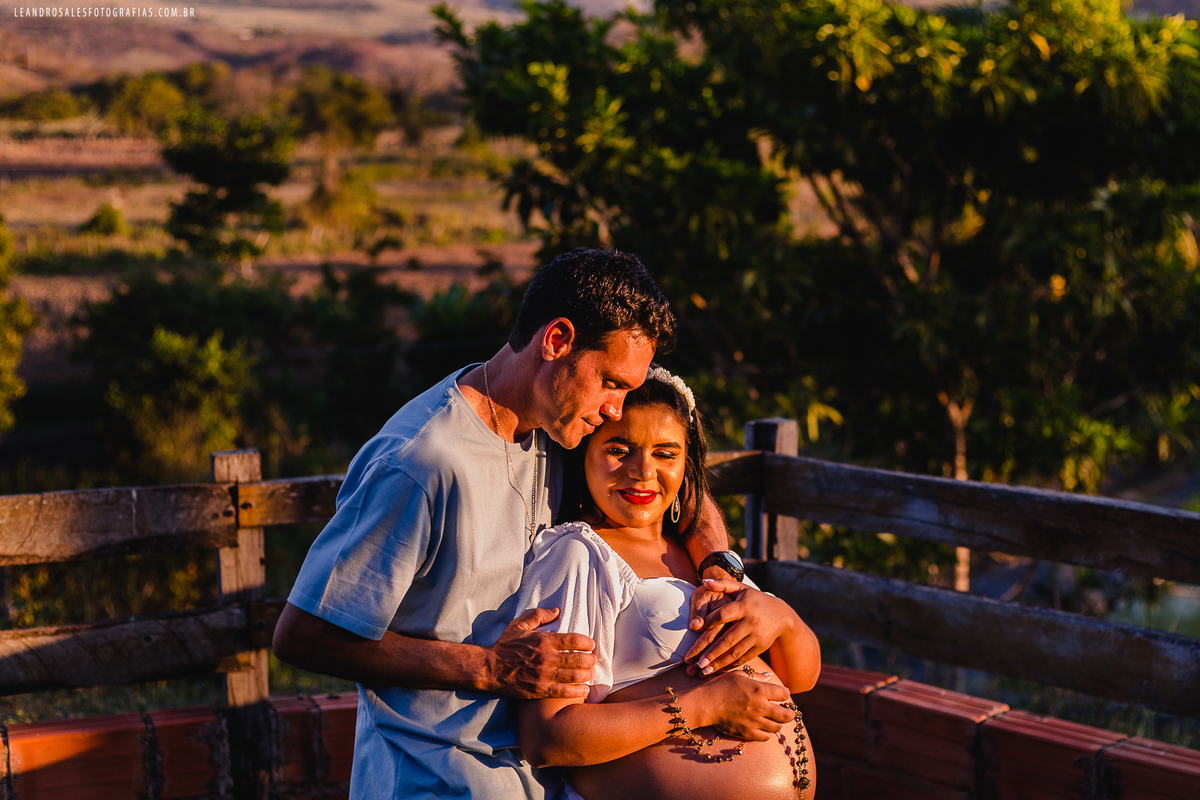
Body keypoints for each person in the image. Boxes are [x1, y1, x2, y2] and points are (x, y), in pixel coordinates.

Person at [272, 248, 791, 799]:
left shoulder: (557, 426)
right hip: (433, 783)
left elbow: (682, 492)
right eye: (612, 382)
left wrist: (718, 565)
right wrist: (490, 668)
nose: (618, 408)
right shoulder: (421, 463)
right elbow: (305, 635)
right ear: (557, 341)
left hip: (532, 784)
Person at [513, 366, 821, 800]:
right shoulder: (578, 554)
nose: (642, 471)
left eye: (665, 453)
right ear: (583, 452)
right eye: (620, 449)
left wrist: (784, 620)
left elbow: (801, 678)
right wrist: (704, 706)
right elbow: (547, 737)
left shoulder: (705, 562)